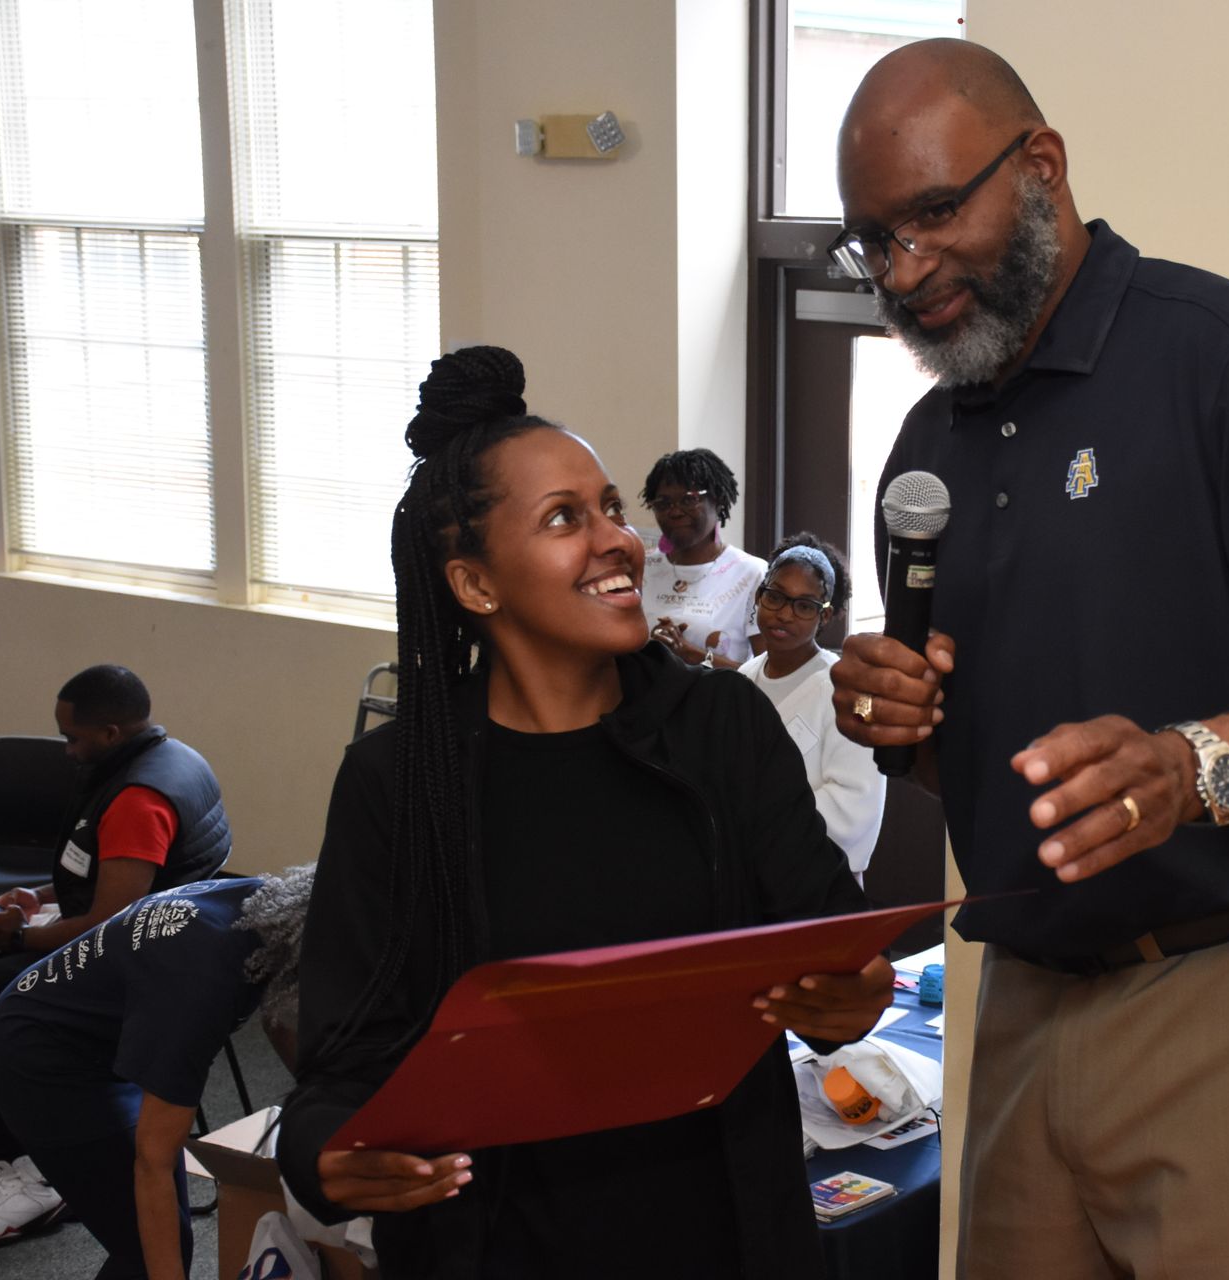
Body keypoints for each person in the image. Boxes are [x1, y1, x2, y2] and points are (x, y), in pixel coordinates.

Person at [827, 40, 1229, 1280]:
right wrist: (898, 720)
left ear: (1042, 167)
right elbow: (966, 761)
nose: (906, 270)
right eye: (874, 241)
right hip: (1022, 993)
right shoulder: (927, 443)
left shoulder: (1227, 358)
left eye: (932, 214)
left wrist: (1192, 766)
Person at [278, 346, 894, 1278]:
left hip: (720, 1226)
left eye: (610, 507)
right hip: (500, 1240)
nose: (619, 539)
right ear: (476, 584)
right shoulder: (398, 782)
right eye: (566, 518)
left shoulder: (719, 728)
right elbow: (346, 1048)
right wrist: (326, 1152)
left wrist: (854, 993)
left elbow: (826, 937)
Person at [0, 664, 230, 1252]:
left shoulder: (137, 799)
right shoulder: (173, 757)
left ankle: (30, 1169)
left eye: (73, 738)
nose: (67, 752)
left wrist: (15, 938)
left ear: (109, 732)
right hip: (172, 943)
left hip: (133, 971)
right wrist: (37, 898)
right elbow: (116, 877)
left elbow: (105, 925)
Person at [0, 868, 313, 1280]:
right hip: (38, 1059)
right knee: (146, 1252)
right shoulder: (199, 991)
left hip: (93, 1027)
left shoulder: (270, 908)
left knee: (164, 1233)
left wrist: (322, 1094)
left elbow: (278, 1017)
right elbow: (152, 1163)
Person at [738, 535, 886, 883]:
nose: (784, 614)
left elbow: (854, 809)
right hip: (750, 875)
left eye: (804, 605)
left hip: (816, 881)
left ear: (826, 615)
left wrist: (754, 813)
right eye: (774, 597)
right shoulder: (743, 680)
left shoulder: (846, 690)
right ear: (759, 597)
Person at [639, 447, 768, 669]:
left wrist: (692, 654)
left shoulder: (752, 573)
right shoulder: (642, 567)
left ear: (717, 501)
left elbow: (767, 674)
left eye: (689, 500)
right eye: (663, 503)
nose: (675, 511)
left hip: (718, 701)